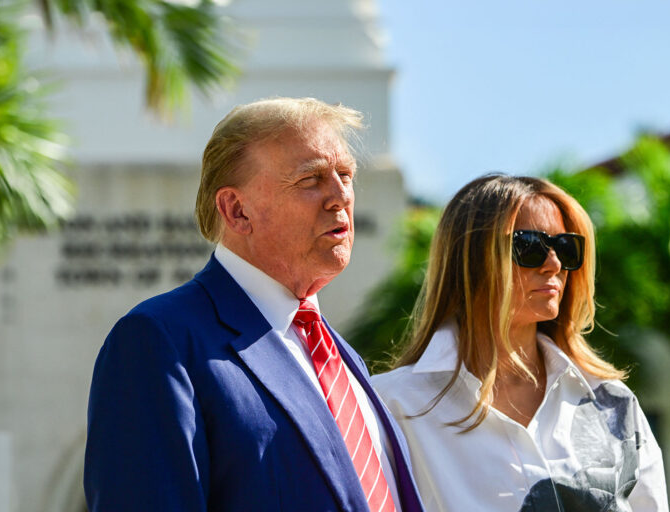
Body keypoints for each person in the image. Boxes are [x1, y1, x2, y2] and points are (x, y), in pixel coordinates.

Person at [84, 97, 424, 512]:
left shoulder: (341, 357)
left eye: (346, 175)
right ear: (237, 210)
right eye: (310, 180)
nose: (340, 197)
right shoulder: (160, 341)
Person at [372, 174, 668, 511]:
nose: (554, 264)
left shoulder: (613, 404)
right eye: (530, 246)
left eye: (566, 247)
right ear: (471, 259)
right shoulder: (392, 407)